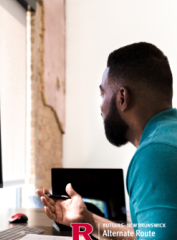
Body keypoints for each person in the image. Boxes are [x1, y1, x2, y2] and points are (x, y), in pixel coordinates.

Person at [37, 42, 177, 239]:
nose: (100, 106)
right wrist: (89, 222)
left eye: (103, 93)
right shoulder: (168, 138)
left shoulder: (154, 155)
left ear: (122, 98)